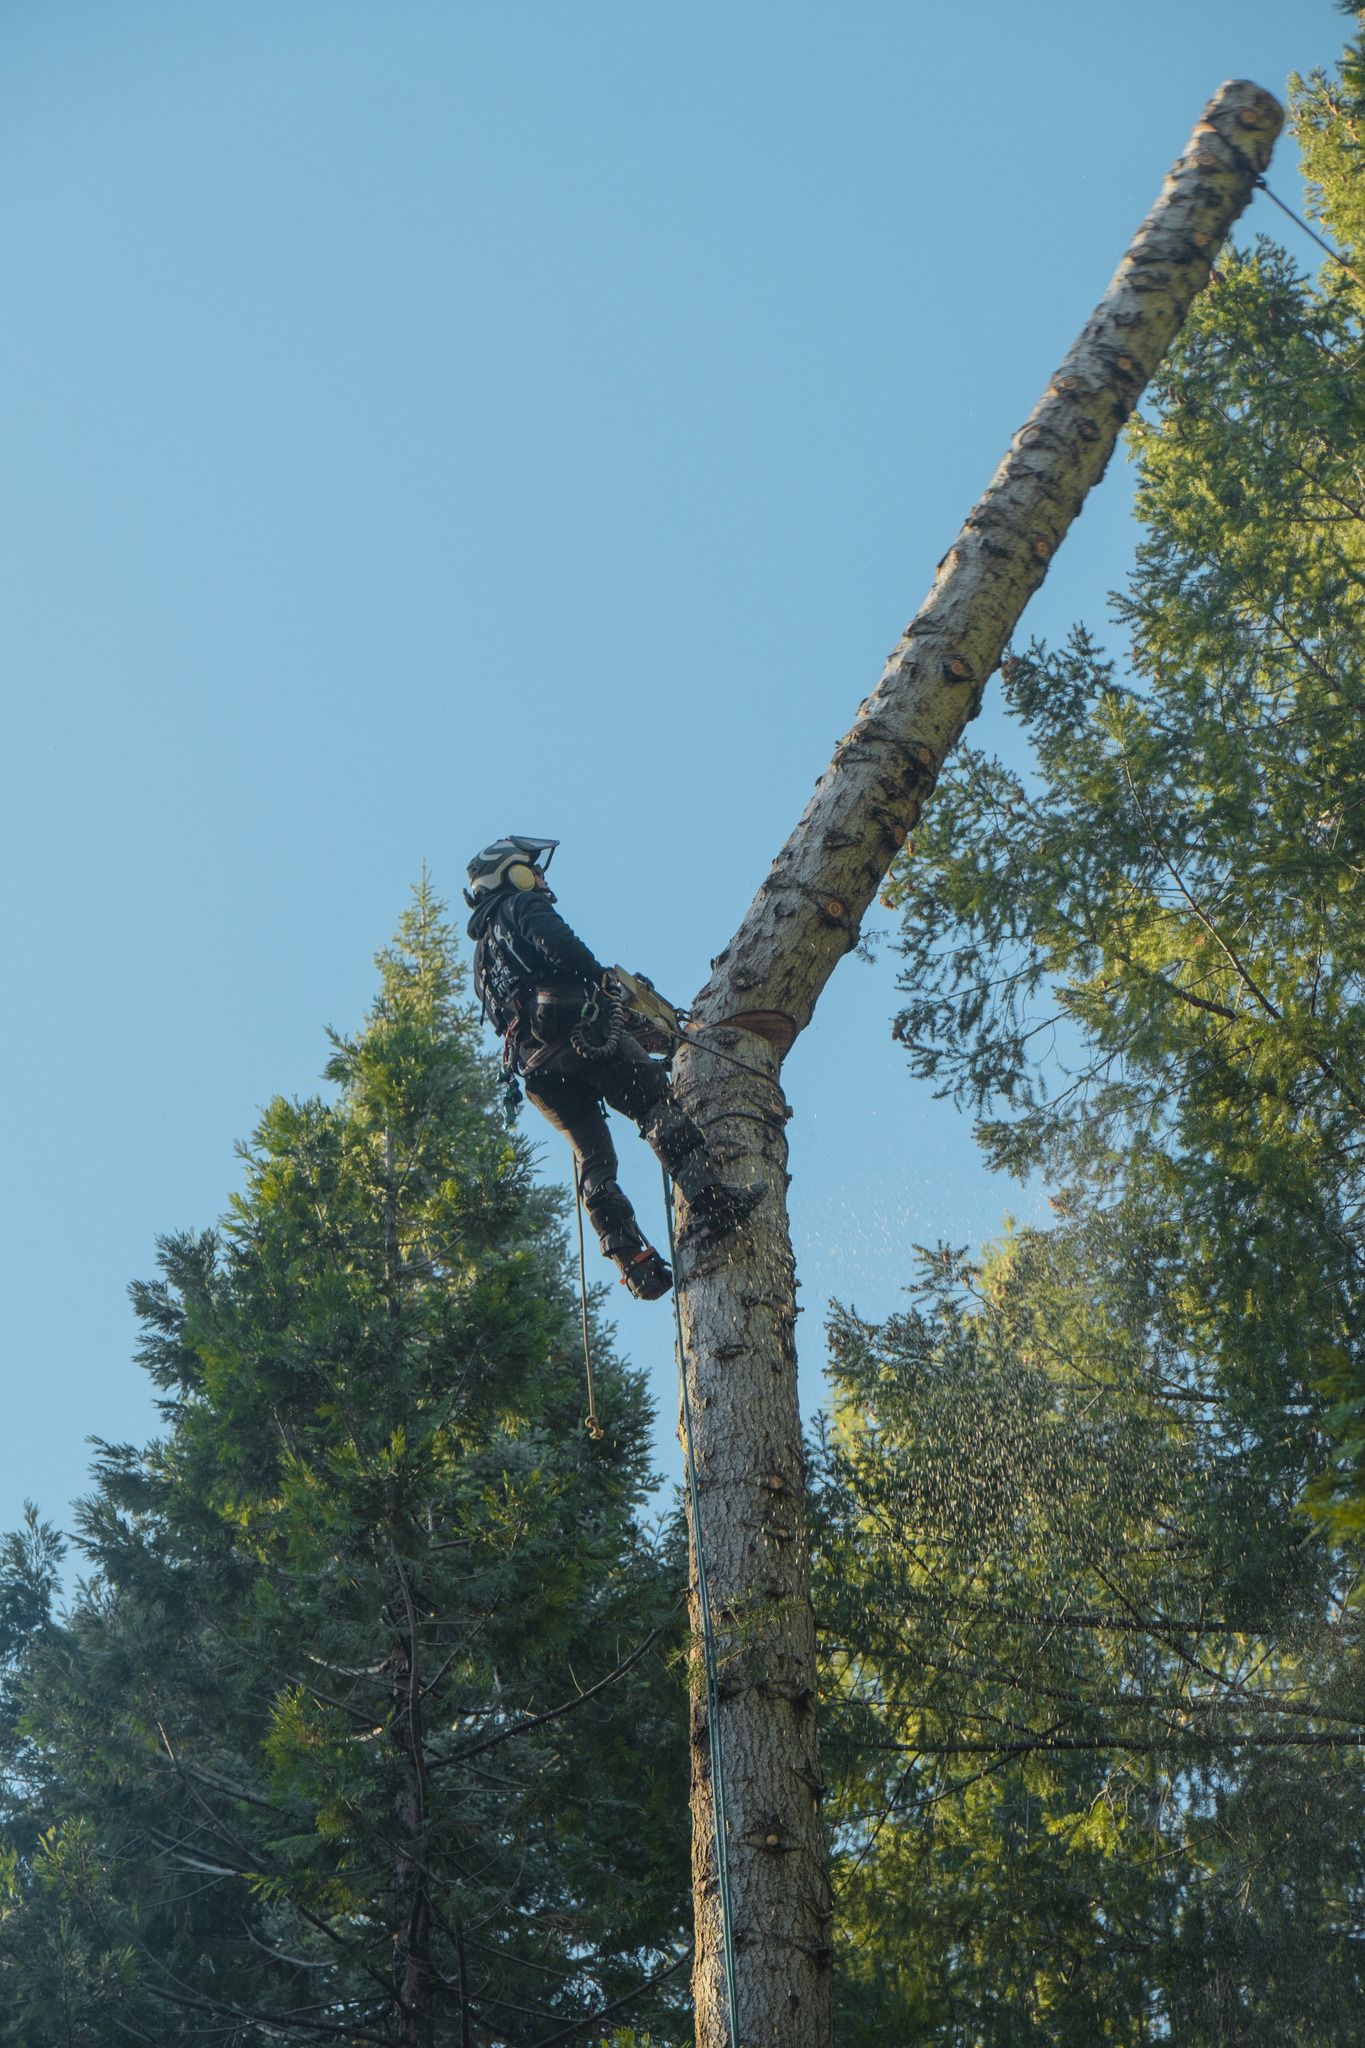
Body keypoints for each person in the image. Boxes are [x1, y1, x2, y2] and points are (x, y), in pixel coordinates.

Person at [465, 836, 764, 1300]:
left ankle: (632, 1259)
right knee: (653, 1106)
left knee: (594, 1162)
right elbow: (560, 944)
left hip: (538, 1071)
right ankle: (712, 1201)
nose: (541, 880)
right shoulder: (520, 907)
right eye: (532, 870)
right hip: (582, 1034)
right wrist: (600, 979)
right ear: (510, 873)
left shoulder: (481, 957)